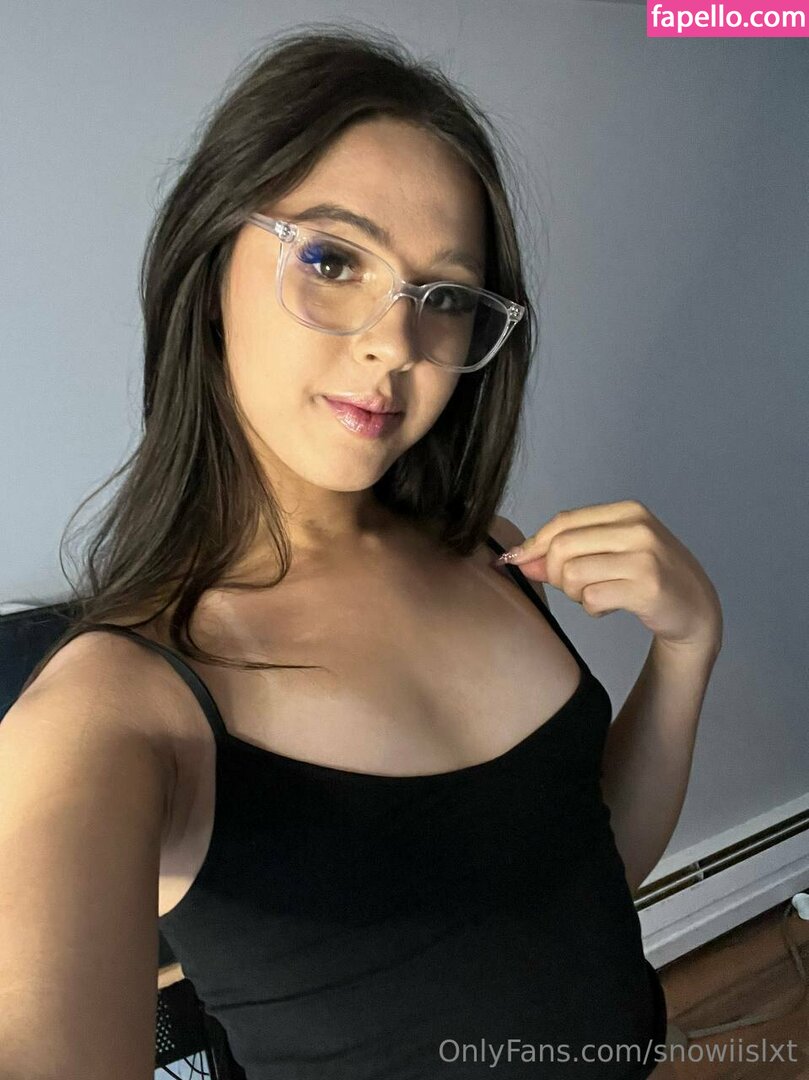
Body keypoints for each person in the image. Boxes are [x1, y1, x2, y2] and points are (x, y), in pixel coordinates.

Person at [0, 25, 669, 1080]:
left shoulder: (493, 556)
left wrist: (687, 650)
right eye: (330, 259)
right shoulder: (113, 712)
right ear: (208, 266)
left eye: (443, 298)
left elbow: (586, 879)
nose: (394, 342)